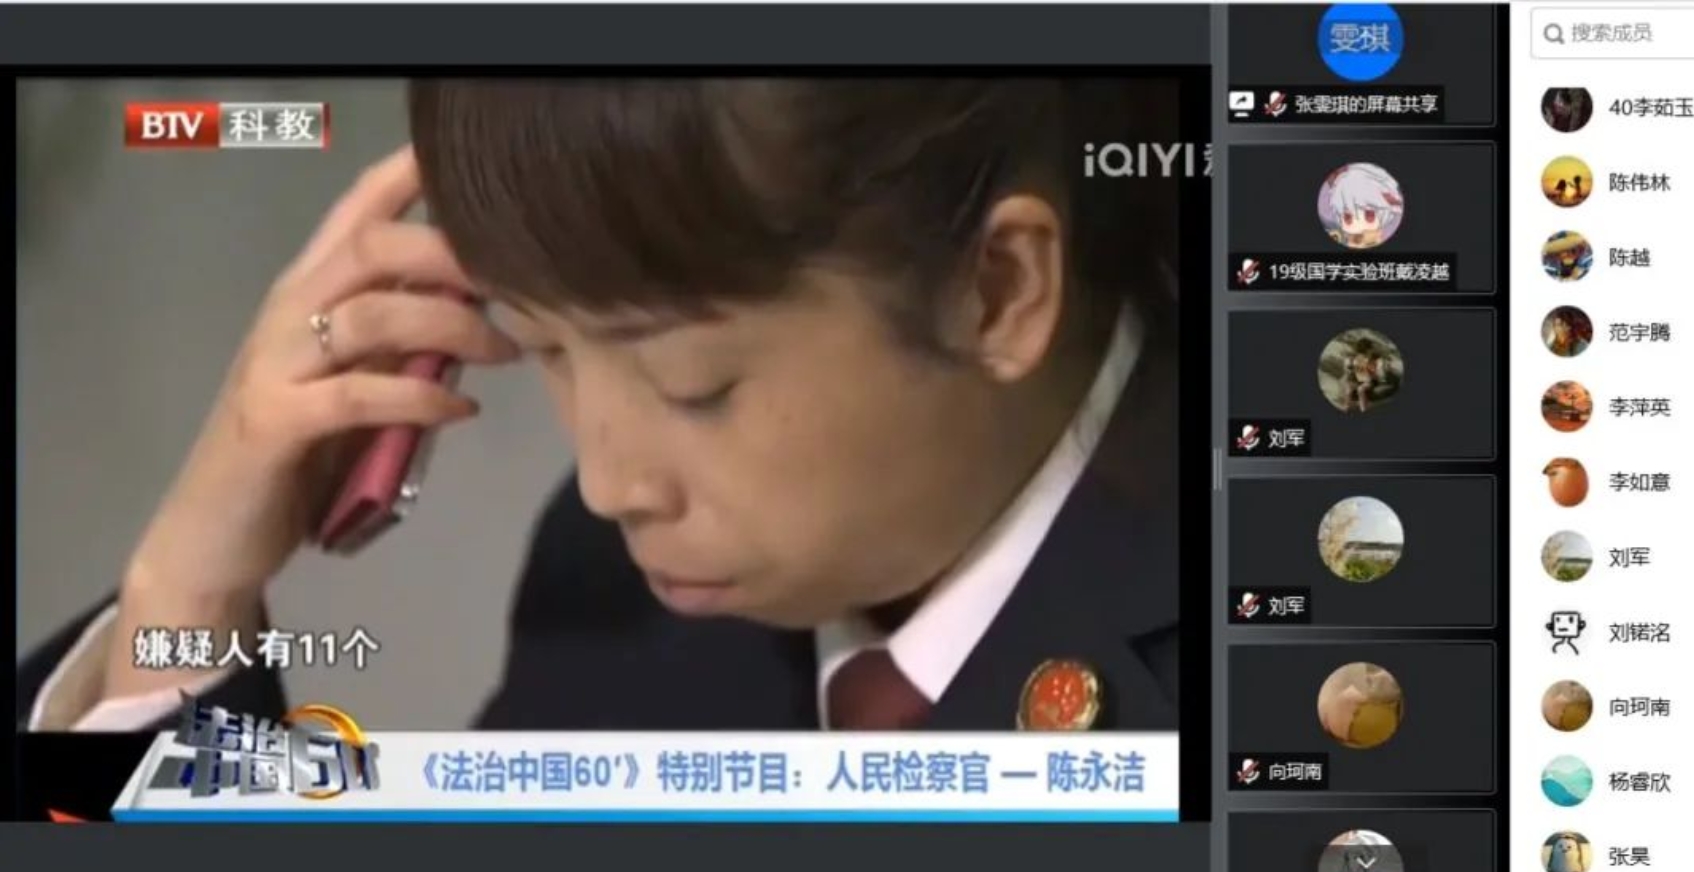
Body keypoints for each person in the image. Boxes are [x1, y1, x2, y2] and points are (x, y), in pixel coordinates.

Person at [17, 79, 1182, 733]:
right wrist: (186, 599)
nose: (609, 484)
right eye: (543, 348)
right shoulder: (608, 609)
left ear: (997, 290)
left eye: (693, 387)